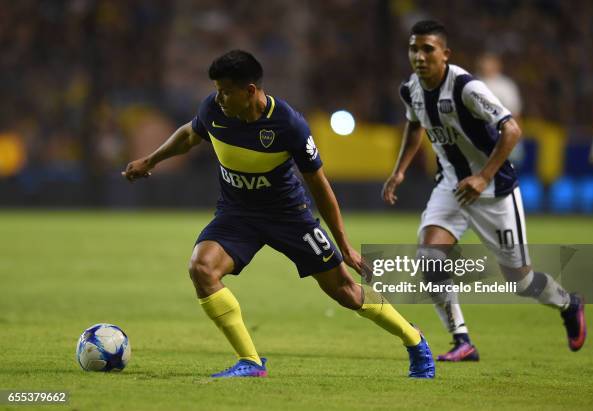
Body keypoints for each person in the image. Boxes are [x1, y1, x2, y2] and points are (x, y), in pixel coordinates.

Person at [123, 50, 435, 378]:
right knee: (201, 268)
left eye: (226, 91)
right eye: (217, 89)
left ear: (251, 91)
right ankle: (251, 362)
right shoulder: (213, 109)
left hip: (289, 216)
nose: (219, 98)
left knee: (345, 291)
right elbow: (189, 134)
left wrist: (344, 245)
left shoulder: (288, 124)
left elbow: (320, 186)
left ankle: (414, 340)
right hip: (237, 214)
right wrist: (151, 160)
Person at [382, 21, 586, 362]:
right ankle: (462, 340)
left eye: (427, 49)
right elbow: (414, 126)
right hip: (451, 186)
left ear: (445, 54)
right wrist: (399, 171)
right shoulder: (411, 89)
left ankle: (569, 303)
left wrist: (483, 176)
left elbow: (512, 130)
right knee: (430, 257)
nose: (419, 56)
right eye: (413, 48)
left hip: (493, 190)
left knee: (520, 281)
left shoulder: (466, 87)